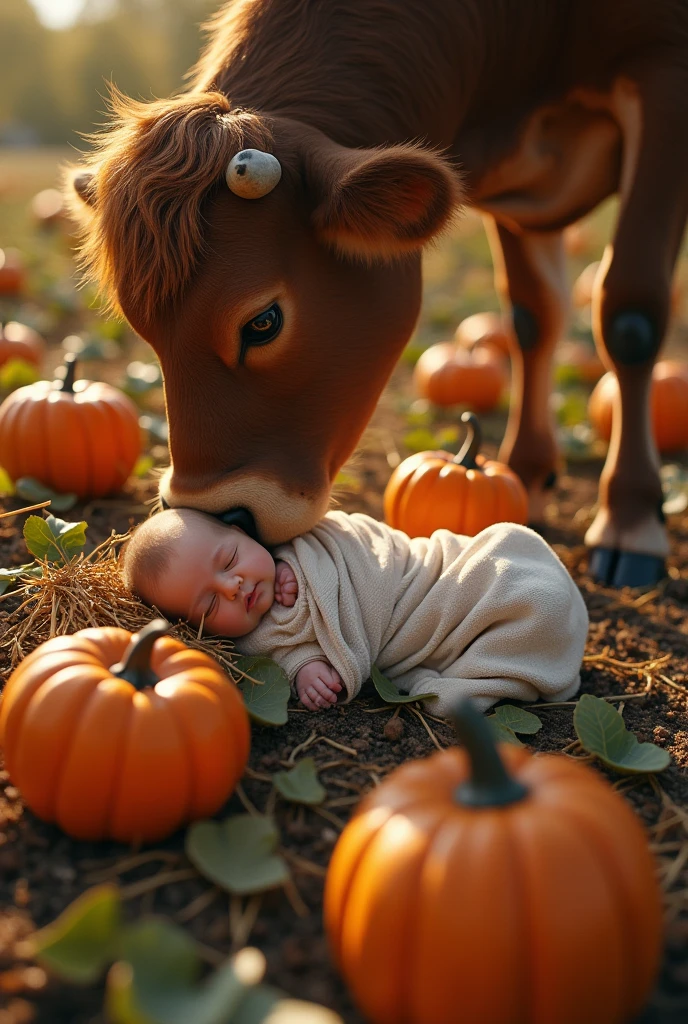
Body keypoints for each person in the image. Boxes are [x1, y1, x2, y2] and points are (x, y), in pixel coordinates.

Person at [121, 507, 589, 715]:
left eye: (229, 560)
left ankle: (523, 602)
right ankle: (509, 654)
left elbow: (367, 546)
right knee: (529, 612)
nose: (233, 585)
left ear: (245, 534)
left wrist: (296, 568)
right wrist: (307, 669)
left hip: (430, 579)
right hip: (418, 628)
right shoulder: (253, 642)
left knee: (504, 571)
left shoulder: (308, 541)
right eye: (208, 603)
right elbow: (288, 654)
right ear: (195, 628)